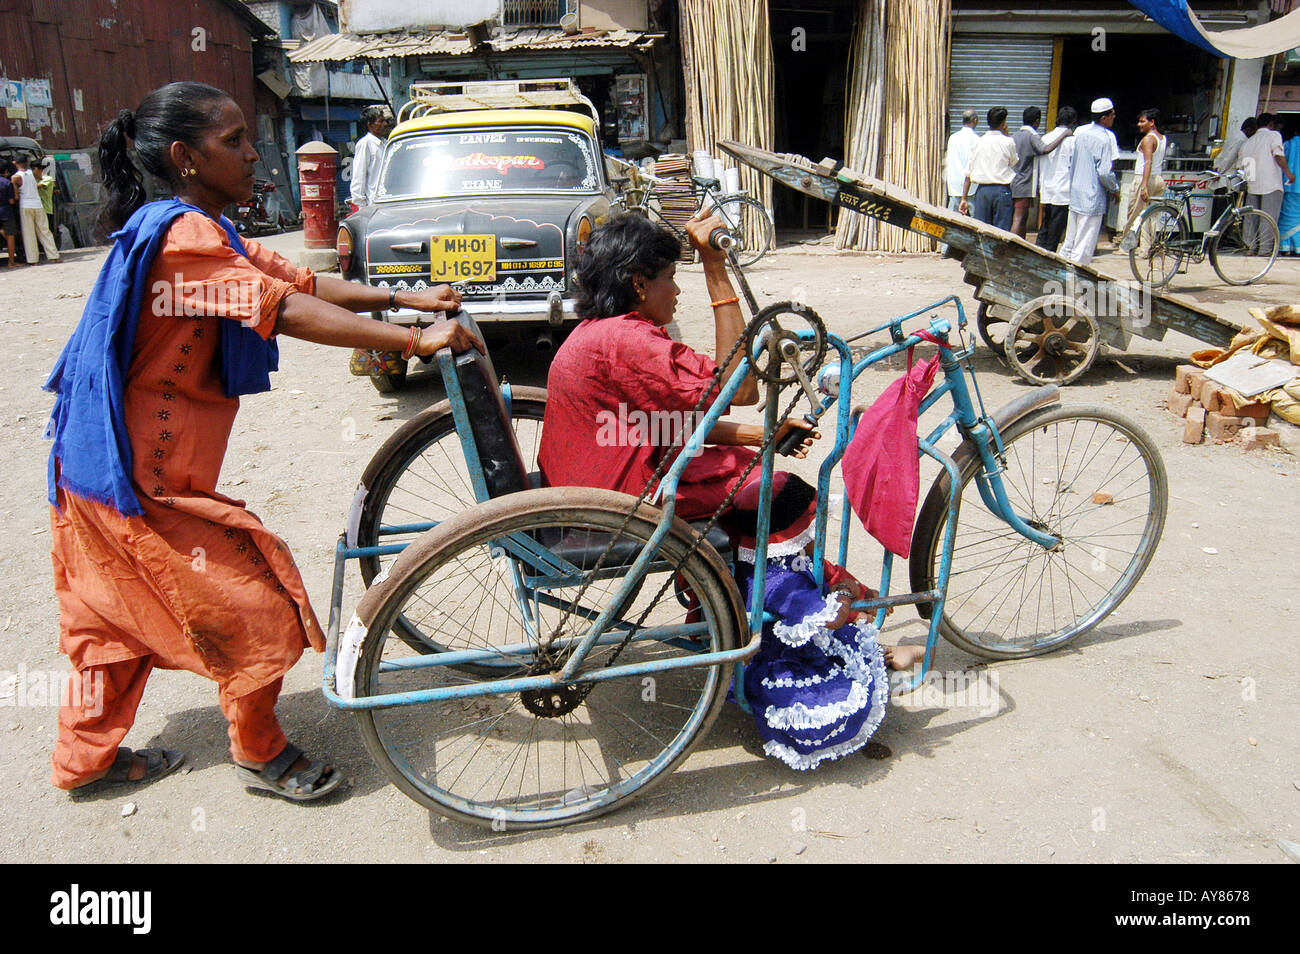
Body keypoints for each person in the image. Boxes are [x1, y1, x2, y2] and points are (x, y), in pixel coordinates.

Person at [44, 82, 482, 800]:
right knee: (257, 604)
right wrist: (413, 340)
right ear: (186, 157)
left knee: (111, 620)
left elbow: (302, 278)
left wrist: (409, 297)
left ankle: (82, 762)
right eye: (235, 142)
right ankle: (261, 751)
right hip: (137, 481)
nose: (253, 155)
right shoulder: (184, 239)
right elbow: (284, 309)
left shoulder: (195, 229)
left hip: (88, 467)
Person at [730, 473, 892, 771]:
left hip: (761, 650)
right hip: (783, 661)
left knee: (853, 640)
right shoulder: (783, 582)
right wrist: (848, 592)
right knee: (852, 682)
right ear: (792, 533)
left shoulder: (753, 560)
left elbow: (823, 573)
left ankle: (892, 654)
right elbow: (832, 618)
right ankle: (893, 661)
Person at [1059, 98, 1120, 267]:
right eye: (1112, 115)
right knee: (1084, 244)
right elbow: (1105, 172)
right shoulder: (1104, 139)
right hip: (1092, 197)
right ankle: (1073, 281)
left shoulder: (1080, 133)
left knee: (1070, 242)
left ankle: (1060, 272)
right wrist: (1115, 189)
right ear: (1104, 118)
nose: (1114, 117)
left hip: (1077, 193)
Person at [1238, 112, 1296, 256]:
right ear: (1271, 124)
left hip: (1252, 183)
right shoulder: (1274, 135)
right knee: (1268, 217)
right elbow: (1278, 155)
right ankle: (1264, 250)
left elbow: (1242, 165)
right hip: (1271, 183)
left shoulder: (1248, 142)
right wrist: (1288, 173)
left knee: (1251, 217)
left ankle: (1250, 248)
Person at [1010, 106, 1070, 238]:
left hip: (1014, 181)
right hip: (1024, 183)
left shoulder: (1015, 136)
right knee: (1020, 218)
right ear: (1037, 121)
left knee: (1019, 218)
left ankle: (1019, 245)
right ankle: (1014, 245)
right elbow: (1045, 149)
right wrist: (1064, 135)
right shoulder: (1032, 136)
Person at [960, 106, 1018, 231]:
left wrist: (964, 198)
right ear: (1003, 123)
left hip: (982, 192)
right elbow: (1013, 162)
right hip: (1001, 191)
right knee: (1002, 232)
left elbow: (968, 172)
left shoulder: (978, 142)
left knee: (981, 231)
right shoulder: (1008, 142)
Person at [1119, 108, 1168, 252]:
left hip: (1144, 178)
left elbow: (1148, 163)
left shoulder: (1148, 139)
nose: (1139, 124)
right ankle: (1147, 248)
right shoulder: (1163, 138)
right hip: (1158, 179)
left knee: (1135, 214)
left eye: (1142, 121)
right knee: (1151, 216)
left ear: (1152, 122)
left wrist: (1144, 185)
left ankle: (1126, 247)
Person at [1036, 106, 1077, 253]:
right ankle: (1048, 255)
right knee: (1056, 227)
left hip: (1047, 187)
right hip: (1063, 190)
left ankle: (1039, 250)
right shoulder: (1073, 141)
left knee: (1046, 223)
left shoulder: (1045, 138)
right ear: (1073, 121)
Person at [940, 109, 979, 253]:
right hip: (970, 185)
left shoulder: (953, 138)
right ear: (974, 120)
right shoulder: (975, 139)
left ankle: (945, 249)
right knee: (975, 219)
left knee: (951, 218)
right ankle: (976, 250)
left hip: (954, 183)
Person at [12, 153, 60, 264]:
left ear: (15, 163)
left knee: (29, 233)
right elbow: (42, 178)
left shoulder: (15, 177)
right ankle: (54, 255)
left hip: (25, 205)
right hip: (38, 204)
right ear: (27, 163)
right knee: (44, 230)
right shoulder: (32, 173)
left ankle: (33, 260)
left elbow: (16, 196)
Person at [348, 104, 393, 212]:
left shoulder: (386, 144)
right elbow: (359, 176)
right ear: (370, 125)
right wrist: (361, 207)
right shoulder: (365, 144)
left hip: (388, 200)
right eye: (381, 121)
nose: (385, 124)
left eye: (385, 121)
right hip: (373, 204)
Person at [1279, 127, 1300, 255]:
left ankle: (1285, 247)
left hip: (1289, 186)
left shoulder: (1288, 144)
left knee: (1287, 216)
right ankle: (1298, 247)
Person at [0, 161, 19, 267]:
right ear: (6, 172)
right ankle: (11, 262)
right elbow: (12, 201)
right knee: (10, 236)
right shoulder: (7, 183)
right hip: (6, 212)